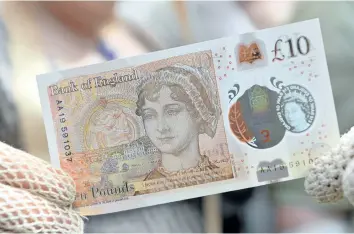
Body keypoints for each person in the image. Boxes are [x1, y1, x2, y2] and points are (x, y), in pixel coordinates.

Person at [134, 65, 232, 193]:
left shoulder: (225, 180)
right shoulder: (144, 193)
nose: (161, 128)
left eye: (172, 112)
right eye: (150, 115)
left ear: (198, 114)